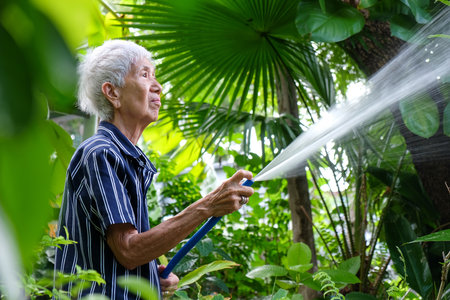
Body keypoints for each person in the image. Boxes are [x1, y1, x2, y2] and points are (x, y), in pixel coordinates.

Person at [54, 40, 254, 299]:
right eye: (145, 74)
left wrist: (148, 275)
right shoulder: (101, 153)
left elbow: (122, 254)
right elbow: (128, 251)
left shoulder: (125, 157)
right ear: (112, 93)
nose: (158, 87)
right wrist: (209, 206)